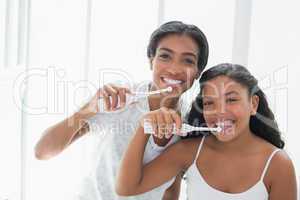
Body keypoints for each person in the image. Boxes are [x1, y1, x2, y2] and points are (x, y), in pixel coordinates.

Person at [34, 21, 209, 199]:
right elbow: (42, 151)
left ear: (197, 72)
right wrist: (88, 109)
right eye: (165, 56)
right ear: (151, 61)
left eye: (187, 60)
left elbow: (171, 187)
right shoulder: (120, 100)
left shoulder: (190, 121)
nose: (174, 68)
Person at [116, 63, 297, 200]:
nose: (220, 111)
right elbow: (127, 187)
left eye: (231, 99)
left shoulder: (277, 164)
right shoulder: (190, 151)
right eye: (209, 103)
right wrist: (144, 126)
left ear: (253, 104)